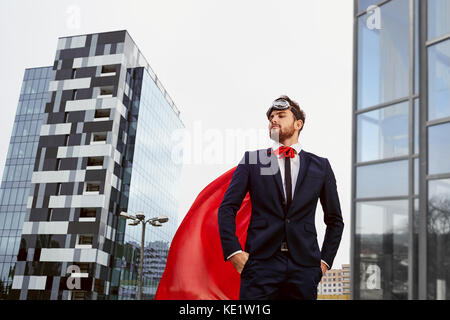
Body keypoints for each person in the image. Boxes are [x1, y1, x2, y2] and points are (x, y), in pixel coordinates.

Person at [218, 95, 344, 300]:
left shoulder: (321, 166)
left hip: (304, 268)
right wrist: (234, 253)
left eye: (281, 115)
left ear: (298, 124)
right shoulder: (253, 160)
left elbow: (335, 220)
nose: (273, 120)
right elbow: (227, 208)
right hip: (260, 264)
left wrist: (323, 264)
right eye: (271, 117)